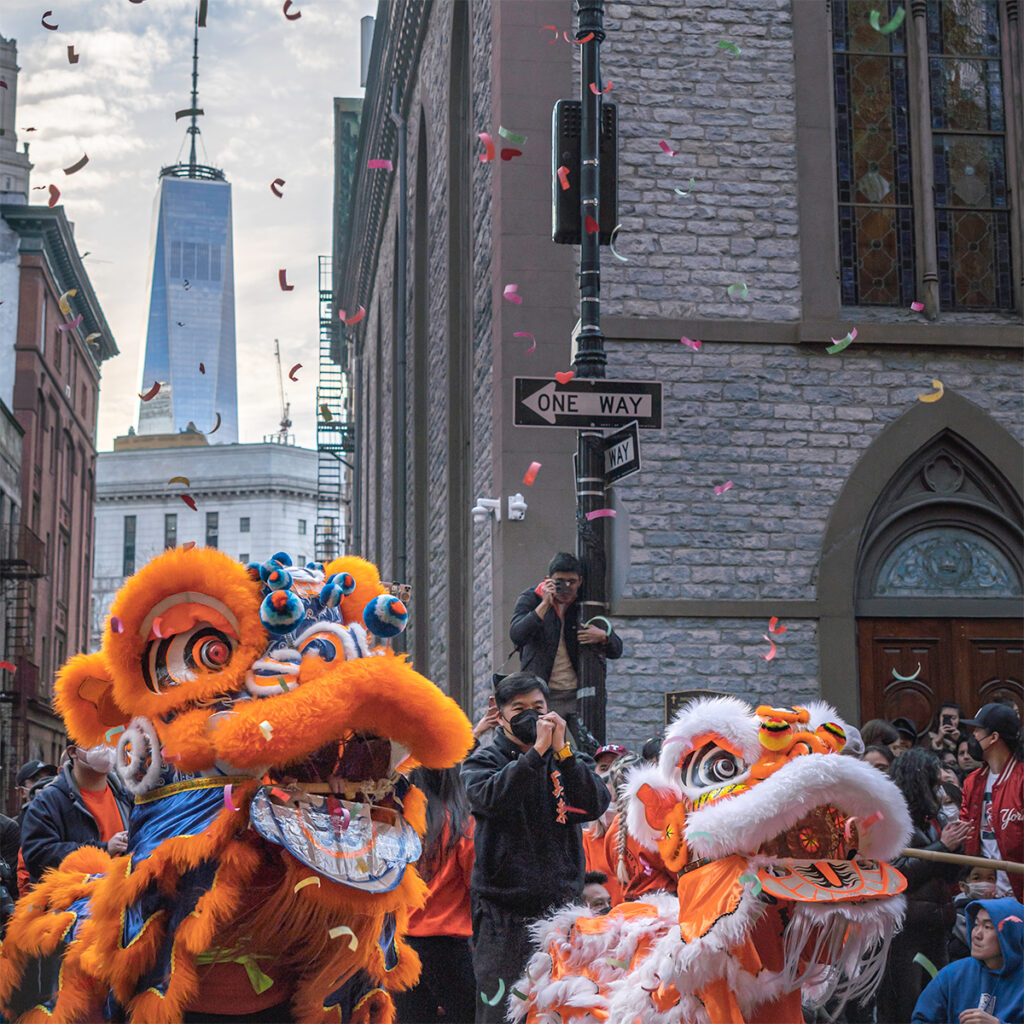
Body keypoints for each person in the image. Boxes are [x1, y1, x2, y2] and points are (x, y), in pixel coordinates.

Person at [461, 672, 610, 1024]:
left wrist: (564, 754)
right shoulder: (484, 760)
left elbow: (595, 803)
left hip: (561, 908)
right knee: (500, 1010)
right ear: (500, 712)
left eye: (538, 707)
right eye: (520, 708)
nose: (531, 716)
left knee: (559, 1008)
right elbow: (490, 799)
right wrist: (536, 754)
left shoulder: (567, 757)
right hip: (503, 914)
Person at [876, 748, 971, 1024]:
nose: (940, 793)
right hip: (905, 935)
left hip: (937, 927)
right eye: (935, 785)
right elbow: (897, 876)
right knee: (906, 1008)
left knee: (936, 1005)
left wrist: (956, 847)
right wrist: (943, 847)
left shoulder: (936, 820)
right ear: (919, 784)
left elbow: (951, 877)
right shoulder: (891, 822)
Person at [508, 553, 623, 743]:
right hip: (542, 694)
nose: (567, 588)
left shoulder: (585, 606)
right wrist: (544, 604)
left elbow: (617, 650)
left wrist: (604, 637)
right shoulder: (532, 598)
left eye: (572, 582)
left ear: (580, 581)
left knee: (589, 746)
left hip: (578, 695)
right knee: (542, 748)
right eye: (560, 582)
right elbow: (517, 634)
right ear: (549, 580)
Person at [392, 766, 476, 1024]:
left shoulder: (398, 822)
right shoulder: (463, 822)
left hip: (400, 945)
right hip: (449, 948)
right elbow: (476, 884)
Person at [20, 742, 131, 885]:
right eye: (94, 741)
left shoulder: (126, 798)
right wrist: (104, 849)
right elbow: (38, 856)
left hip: (121, 899)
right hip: (71, 902)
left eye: (109, 741)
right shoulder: (47, 802)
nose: (106, 749)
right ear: (73, 752)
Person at [912, 898, 1023, 1024]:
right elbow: (922, 1019)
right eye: (976, 924)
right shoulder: (952, 975)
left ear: (1010, 934)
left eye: (987, 927)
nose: (977, 934)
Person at [959, 703, 1024, 900]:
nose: (973, 736)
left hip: (1018, 893)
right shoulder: (972, 781)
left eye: (977, 730)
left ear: (994, 738)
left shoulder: (1021, 779)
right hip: (983, 894)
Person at [949, 865, 999, 961]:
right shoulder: (957, 912)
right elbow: (984, 943)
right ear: (963, 886)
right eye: (977, 878)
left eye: (990, 878)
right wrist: (988, 907)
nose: (984, 883)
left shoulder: (1001, 906)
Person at [14, 760, 58, 826]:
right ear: (22, 792)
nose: (44, 783)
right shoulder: (14, 828)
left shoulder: (64, 821)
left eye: (49, 778)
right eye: (36, 780)